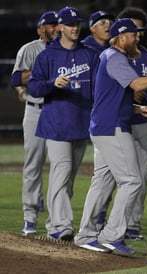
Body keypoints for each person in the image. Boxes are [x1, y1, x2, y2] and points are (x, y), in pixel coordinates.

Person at [73, 18, 147, 256]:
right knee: (132, 181)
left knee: (101, 182)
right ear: (121, 37)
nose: (137, 38)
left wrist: (138, 109)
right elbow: (138, 84)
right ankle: (111, 235)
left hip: (104, 125)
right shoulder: (115, 57)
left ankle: (85, 234)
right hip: (112, 128)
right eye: (133, 34)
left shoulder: (111, 57)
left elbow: (110, 96)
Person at [28, 6, 98, 241]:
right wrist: (51, 83)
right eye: (70, 24)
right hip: (56, 123)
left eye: (77, 23)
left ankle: (54, 222)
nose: (75, 27)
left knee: (68, 178)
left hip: (81, 122)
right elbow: (34, 88)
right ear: (59, 27)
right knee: (62, 171)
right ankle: (60, 225)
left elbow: (98, 88)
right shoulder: (47, 55)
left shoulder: (89, 54)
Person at [116, 7, 147, 241]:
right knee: (114, 176)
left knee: (143, 174)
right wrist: (127, 91)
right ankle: (108, 221)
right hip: (117, 122)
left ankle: (133, 224)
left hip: (142, 121)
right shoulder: (114, 56)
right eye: (132, 28)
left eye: (139, 28)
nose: (137, 33)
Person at [10, 11, 59, 236]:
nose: (55, 27)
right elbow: (15, 79)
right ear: (40, 29)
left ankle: (56, 221)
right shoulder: (29, 49)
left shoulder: (68, 51)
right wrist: (40, 73)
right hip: (36, 111)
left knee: (61, 167)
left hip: (60, 111)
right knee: (33, 165)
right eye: (50, 24)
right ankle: (30, 217)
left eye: (58, 23)